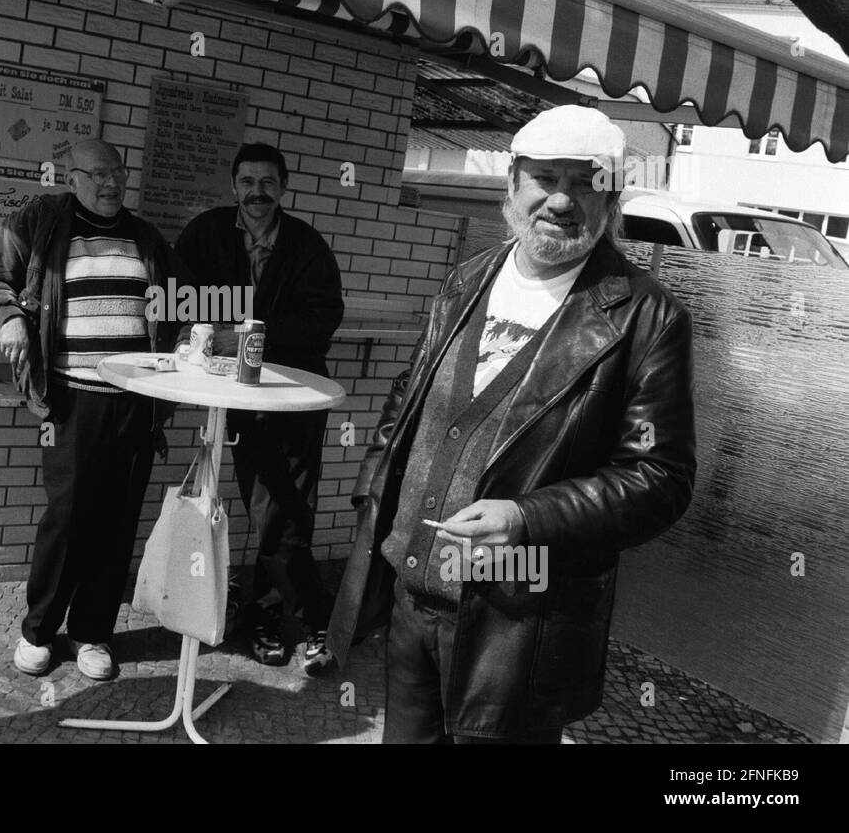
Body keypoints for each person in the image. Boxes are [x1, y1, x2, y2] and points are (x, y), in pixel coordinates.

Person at [327, 105, 696, 743]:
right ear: (511, 185)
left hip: (517, 626)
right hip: (414, 601)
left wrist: (529, 518)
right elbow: (406, 401)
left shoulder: (647, 315)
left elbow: (660, 478)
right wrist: (374, 498)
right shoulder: (468, 279)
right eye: (545, 177)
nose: (561, 199)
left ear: (612, 198)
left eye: (585, 183)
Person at [0, 139, 178, 681]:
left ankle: (93, 634)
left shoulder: (147, 239)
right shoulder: (42, 221)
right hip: (73, 400)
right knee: (66, 521)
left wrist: (203, 332)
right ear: (72, 178)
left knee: (116, 523)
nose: (112, 182)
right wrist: (9, 316)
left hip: (135, 406)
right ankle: (39, 631)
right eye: (99, 173)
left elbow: (174, 309)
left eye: (119, 171)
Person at [174, 142, 343, 671]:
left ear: (283, 189)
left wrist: (254, 335)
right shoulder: (206, 233)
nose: (256, 193)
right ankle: (310, 620)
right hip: (231, 398)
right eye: (247, 182)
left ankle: (279, 619)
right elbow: (178, 298)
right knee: (273, 510)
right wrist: (209, 334)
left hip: (294, 400)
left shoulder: (308, 246)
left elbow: (323, 319)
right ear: (233, 187)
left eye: (267, 183)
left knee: (284, 511)